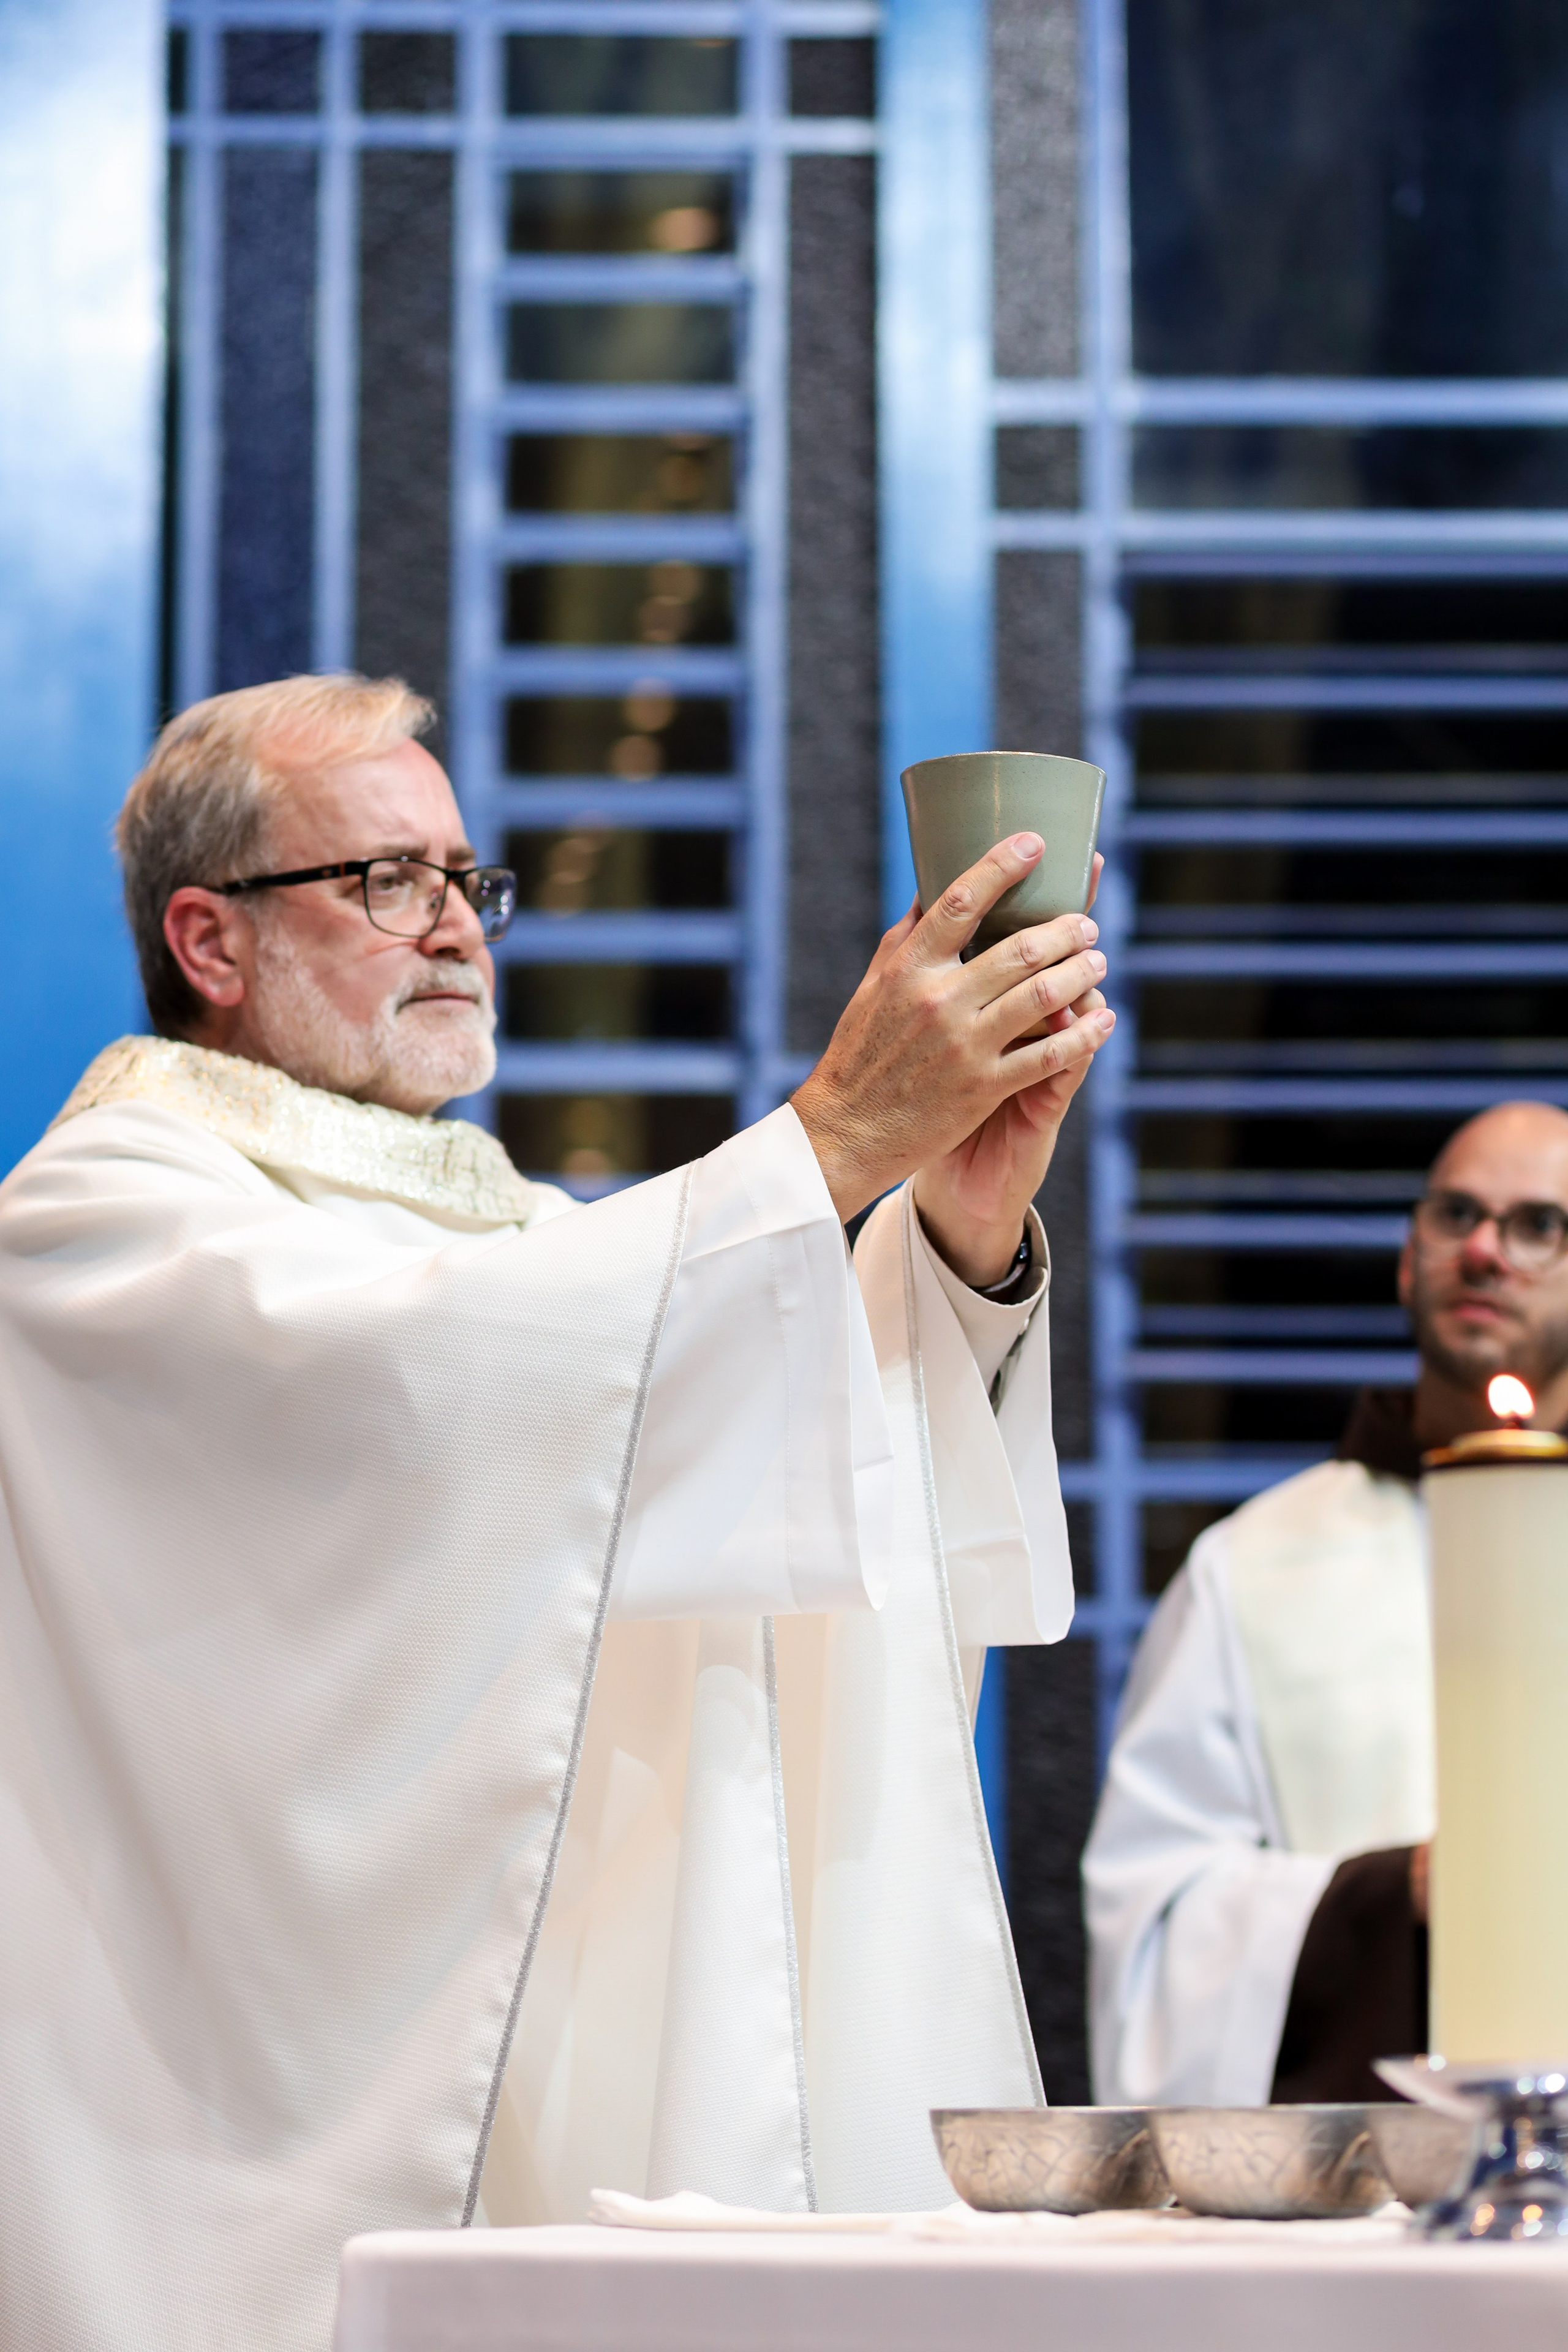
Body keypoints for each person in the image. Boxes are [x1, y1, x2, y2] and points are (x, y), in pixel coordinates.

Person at [0, 674, 1114, 2352]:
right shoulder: (104, 1221)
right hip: (247, 2150)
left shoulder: (514, 1234)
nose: (453, 928)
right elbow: (421, 1402)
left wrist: (947, 1238)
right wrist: (832, 1138)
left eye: (467, 880)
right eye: (385, 881)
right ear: (211, 945)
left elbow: (662, 1417)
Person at [1084, 1099, 1568, 2109]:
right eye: (1454, 1214)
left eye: (1537, 1226)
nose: (1484, 1248)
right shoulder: (1253, 1566)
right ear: (1407, 1259)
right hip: (1354, 2196)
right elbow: (1154, 1928)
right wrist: (1394, 1899)